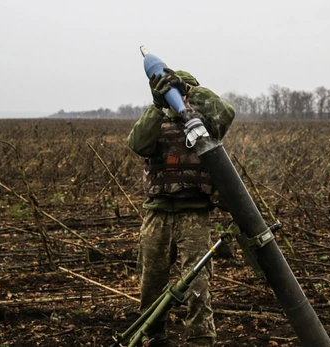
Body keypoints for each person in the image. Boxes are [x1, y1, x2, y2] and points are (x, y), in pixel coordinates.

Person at [127, 68, 235, 346]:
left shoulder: (206, 125)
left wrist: (189, 92)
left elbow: (226, 112)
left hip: (194, 215)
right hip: (157, 214)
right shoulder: (156, 123)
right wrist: (156, 105)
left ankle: (200, 338)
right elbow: (137, 143)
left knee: (197, 284)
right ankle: (153, 334)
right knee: (151, 280)